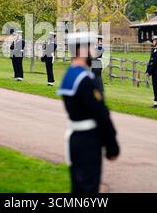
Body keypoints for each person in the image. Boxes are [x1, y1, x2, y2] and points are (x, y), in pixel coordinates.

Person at [57, 32, 119, 193]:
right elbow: (101, 113)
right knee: (88, 188)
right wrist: (112, 145)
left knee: (78, 187)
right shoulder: (84, 79)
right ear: (82, 50)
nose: (93, 51)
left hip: (75, 138)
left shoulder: (69, 75)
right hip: (88, 141)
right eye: (90, 47)